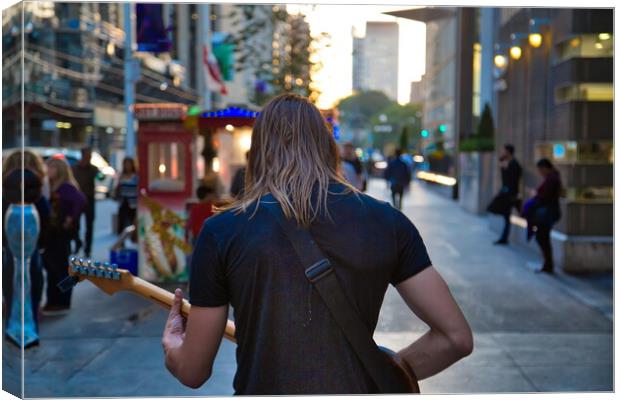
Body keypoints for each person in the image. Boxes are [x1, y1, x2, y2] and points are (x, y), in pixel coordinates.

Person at [161, 93, 472, 394]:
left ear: (257, 151)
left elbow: (193, 371)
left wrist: (175, 344)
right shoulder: (388, 223)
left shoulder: (221, 231)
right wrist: (393, 368)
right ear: (327, 147)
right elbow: (455, 337)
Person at [2, 150, 49, 337]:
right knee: (33, 280)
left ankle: (13, 324)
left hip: (10, 250)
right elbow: (45, 215)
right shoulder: (37, 185)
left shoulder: (6, 188)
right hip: (33, 248)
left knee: (11, 282)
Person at [43, 157, 87, 315]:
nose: (47, 170)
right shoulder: (51, 186)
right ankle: (54, 300)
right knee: (52, 267)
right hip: (52, 233)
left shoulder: (66, 187)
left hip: (60, 233)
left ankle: (62, 301)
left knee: (60, 267)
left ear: (59, 170)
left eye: (51, 167)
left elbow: (81, 201)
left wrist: (70, 218)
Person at [522, 158, 562, 274]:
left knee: (542, 238)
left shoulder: (552, 179)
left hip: (547, 213)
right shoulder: (552, 177)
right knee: (543, 238)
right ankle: (547, 264)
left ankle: (548, 265)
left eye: (540, 169)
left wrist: (535, 195)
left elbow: (545, 196)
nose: (540, 172)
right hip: (548, 212)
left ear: (545, 168)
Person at [487, 144, 522, 245]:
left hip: (511, 195)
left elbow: (513, 179)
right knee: (506, 216)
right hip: (508, 194)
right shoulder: (508, 163)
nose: (503, 153)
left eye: (505, 151)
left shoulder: (514, 164)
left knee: (517, 215)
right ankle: (504, 238)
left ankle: (504, 238)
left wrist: (505, 168)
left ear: (508, 152)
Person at [72, 147, 99, 257]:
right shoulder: (74, 168)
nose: (89, 158)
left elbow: (100, 178)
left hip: (89, 199)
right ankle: (78, 242)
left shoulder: (93, 169)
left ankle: (87, 249)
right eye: (87, 156)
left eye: (90, 156)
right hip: (77, 199)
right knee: (74, 224)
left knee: (89, 225)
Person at [115, 157, 138, 234]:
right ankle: (121, 240)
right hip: (123, 201)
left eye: (129, 164)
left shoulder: (136, 176)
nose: (127, 166)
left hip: (133, 202)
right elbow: (118, 188)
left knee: (133, 222)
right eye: (126, 164)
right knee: (122, 222)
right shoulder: (121, 176)